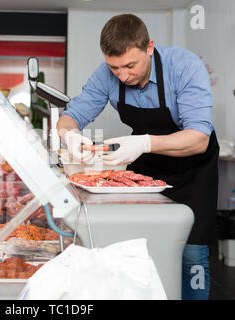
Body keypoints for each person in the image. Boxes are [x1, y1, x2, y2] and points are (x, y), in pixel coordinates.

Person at [57, 14, 219, 300]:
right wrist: (70, 135)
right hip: (149, 169)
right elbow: (71, 116)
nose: (122, 75)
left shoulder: (184, 66)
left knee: (192, 253)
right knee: (143, 246)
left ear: (149, 48)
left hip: (193, 169)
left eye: (130, 65)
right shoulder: (106, 74)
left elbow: (198, 139)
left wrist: (143, 142)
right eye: (115, 67)